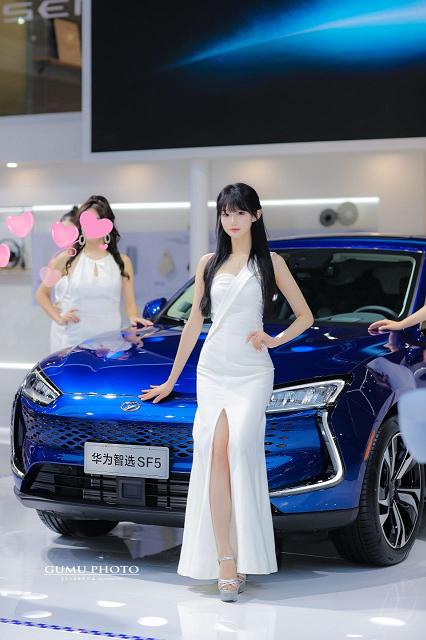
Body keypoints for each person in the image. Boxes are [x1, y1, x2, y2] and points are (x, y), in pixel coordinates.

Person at [139, 183, 313, 602]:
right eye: (225, 213)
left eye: (239, 212)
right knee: (214, 454)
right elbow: (194, 323)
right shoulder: (208, 263)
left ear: (256, 215)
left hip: (252, 372)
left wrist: (275, 339)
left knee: (239, 451)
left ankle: (244, 552)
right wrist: (171, 379)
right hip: (213, 369)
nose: (232, 220)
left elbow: (305, 316)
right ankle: (225, 559)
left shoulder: (271, 263)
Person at [36, 195, 153, 350]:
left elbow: (130, 303)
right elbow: (42, 293)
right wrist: (59, 319)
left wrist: (133, 318)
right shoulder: (67, 259)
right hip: (74, 341)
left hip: (111, 341)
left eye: (97, 220)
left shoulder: (123, 262)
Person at [47, 206, 77, 353]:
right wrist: (54, 310)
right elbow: (42, 294)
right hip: (60, 324)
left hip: (80, 321)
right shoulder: (57, 261)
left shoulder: (89, 261)